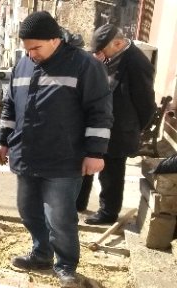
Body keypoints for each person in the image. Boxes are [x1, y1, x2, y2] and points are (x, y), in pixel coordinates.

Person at [0, 11, 113, 288]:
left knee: (59, 217)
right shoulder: (23, 65)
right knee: (29, 211)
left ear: (55, 39)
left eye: (36, 48)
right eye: (27, 49)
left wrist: (95, 153)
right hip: (26, 154)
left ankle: (66, 265)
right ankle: (41, 254)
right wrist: (3, 140)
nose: (31, 54)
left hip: (64, 158)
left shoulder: (84, 66)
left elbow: (100, 112)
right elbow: (10, 105)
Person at [76, 24, 156, 225]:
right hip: (100, 123)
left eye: (102, 51)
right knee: (86, 162)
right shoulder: (111, 56)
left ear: (118, 43)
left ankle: (108, 212)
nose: (99, 56)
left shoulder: (137, 62)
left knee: (111, 172)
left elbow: (146, 103)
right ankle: (78, 202)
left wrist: (135, 128)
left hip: (120, 128)